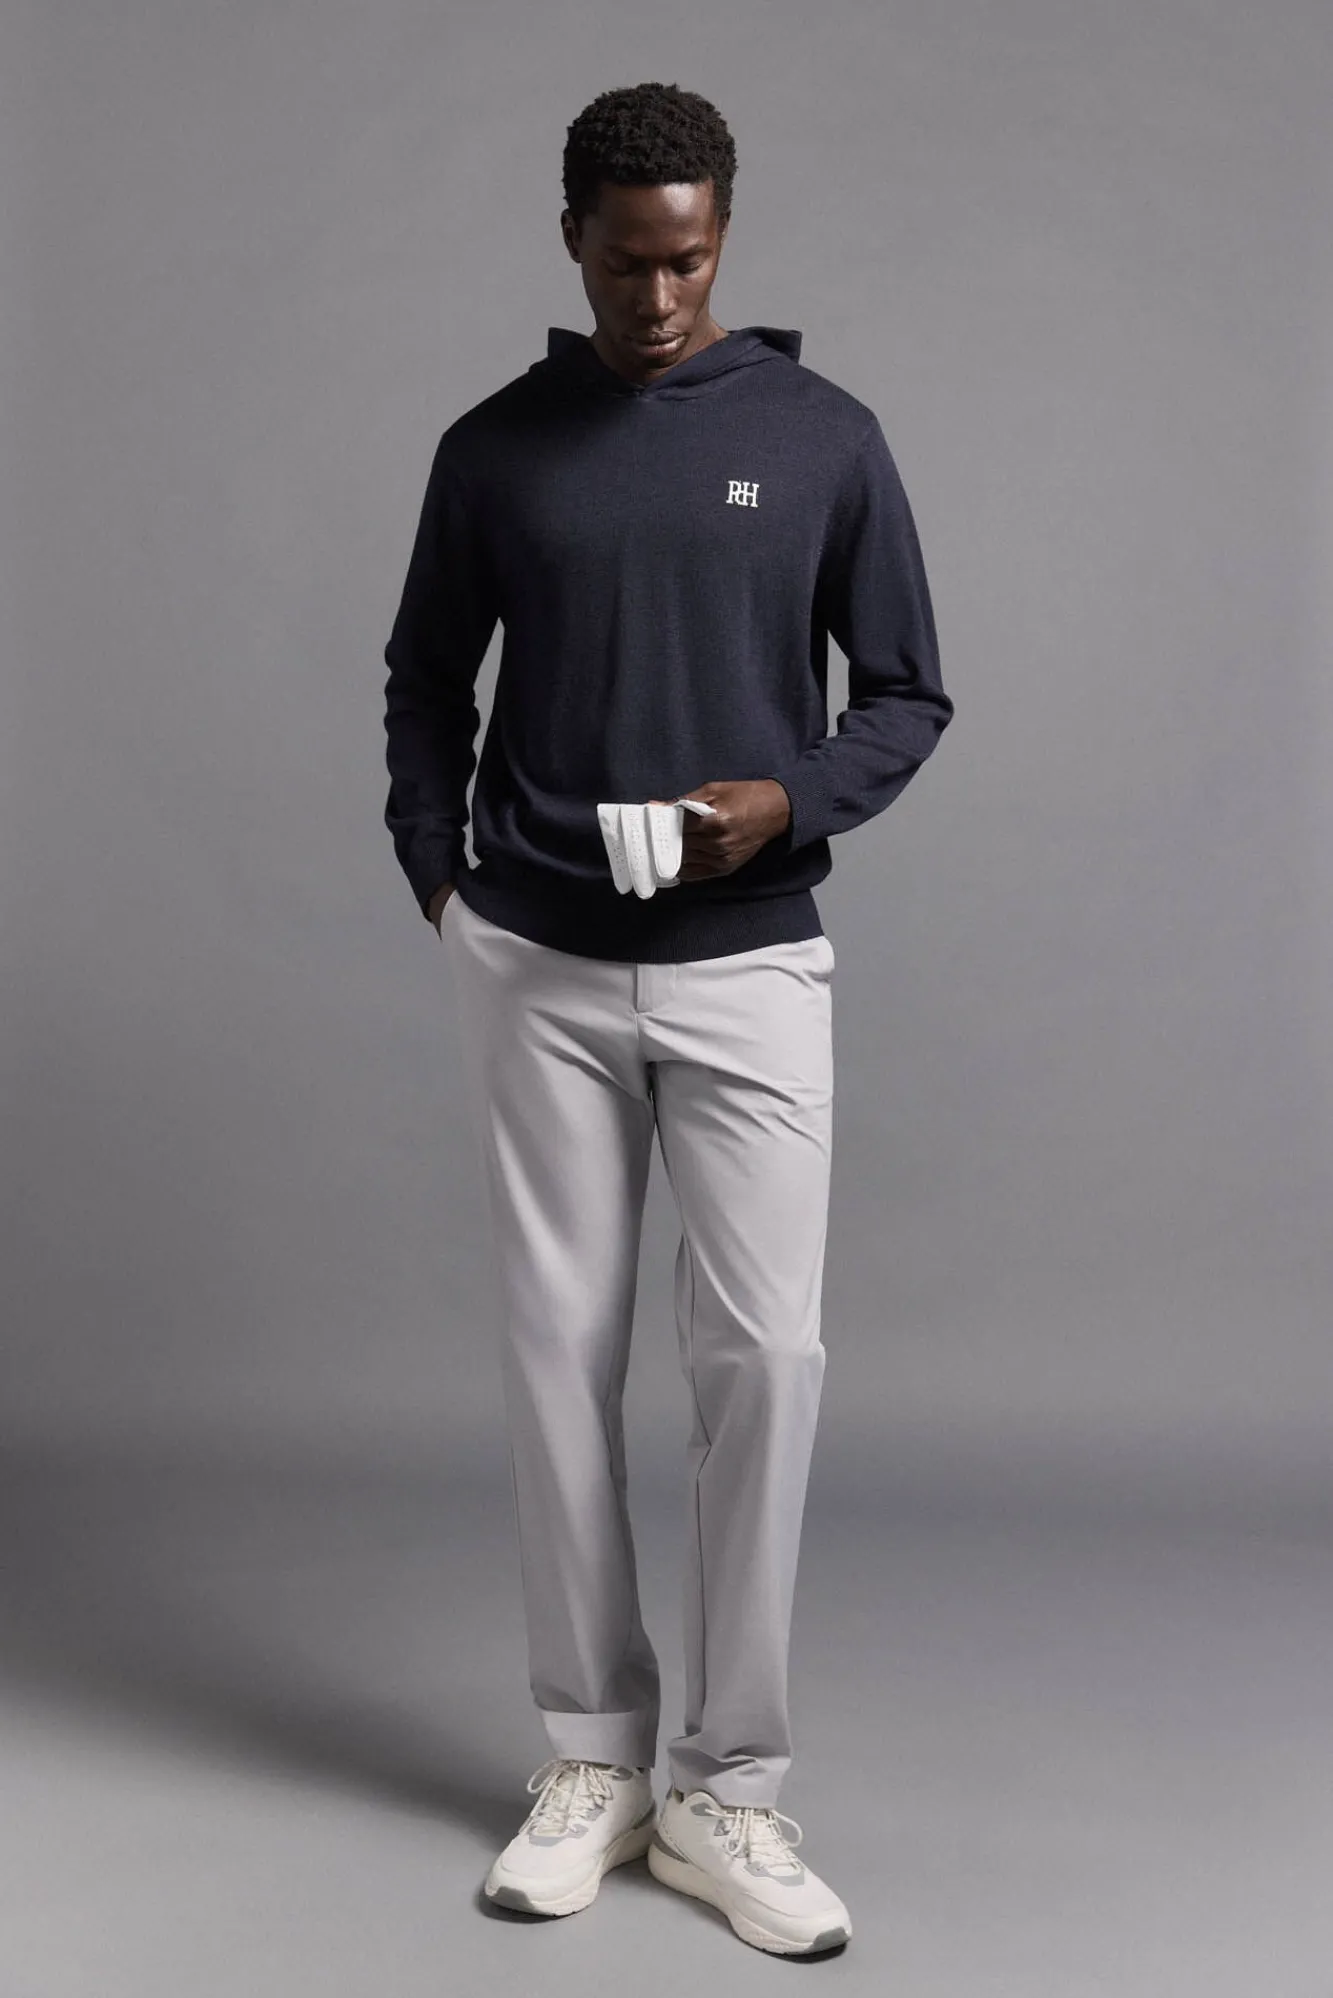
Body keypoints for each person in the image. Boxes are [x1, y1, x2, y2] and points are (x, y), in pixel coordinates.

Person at [382, 79, 953, 1958]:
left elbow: (905, 691)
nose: (657, 298)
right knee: (559, 1355)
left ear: (725, 241)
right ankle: (594, 1757)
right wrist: (443, 881)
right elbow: (423, 680)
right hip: (536, 963)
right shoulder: (496, 449)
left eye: (689, 262)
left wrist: (786, 804)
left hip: (752, 960)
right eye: (627, 262)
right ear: (572, 240)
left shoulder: (823, 437)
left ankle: (730, 1783)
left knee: (765, 1356)